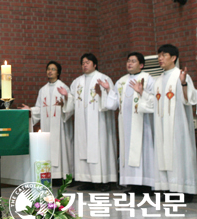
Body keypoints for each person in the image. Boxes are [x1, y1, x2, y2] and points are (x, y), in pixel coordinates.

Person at [102, 52, 155, 192]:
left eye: (133, 61)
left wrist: (142, 92)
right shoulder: (121, 81)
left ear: (141, 65)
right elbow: (113, 105)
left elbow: (153, 101)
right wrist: (108, 89)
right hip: (125, 124)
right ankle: (132, 184)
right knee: (127, 151)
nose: (129, 63)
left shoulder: (148, 79)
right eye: (128, 61)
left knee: (143, 151)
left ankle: (146, 184)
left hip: (142, 123)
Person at [65, 53, 117, 191]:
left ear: (95, 64)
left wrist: (103, 92)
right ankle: (86, 179)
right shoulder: (77, 82)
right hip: (82, 121)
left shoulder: (104, 78)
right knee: (83, 148)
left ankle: (104, 180)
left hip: (99, 122)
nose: (85, 65)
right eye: (83, 63)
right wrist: (66, 98)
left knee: (99, 148)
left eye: (88, 62)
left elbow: (111, 102)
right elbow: (71, 101)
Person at [153, 44, 197, 198]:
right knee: (163, 154)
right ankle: (168, 188)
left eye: (163, 55)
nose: (160, 58)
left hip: (177, 126)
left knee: (179, 154)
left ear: (173, 58)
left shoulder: (181, 75)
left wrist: (184, 83)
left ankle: (184, 190)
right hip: (161, 126)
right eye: (159, 55)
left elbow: (190, 99)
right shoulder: (158, 80)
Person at [22, 61, 74, 181]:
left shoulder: (63, 87)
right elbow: (39, 109)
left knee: (61, 149)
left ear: (58, 72)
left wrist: (65, 100)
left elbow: (71, 105)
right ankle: (50, 176)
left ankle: (62, 176)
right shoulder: (43, 90)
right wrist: (30, 110)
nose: (50, 71)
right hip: (47, 125)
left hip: (60, 126)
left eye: (53, 69)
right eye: (48, 69)